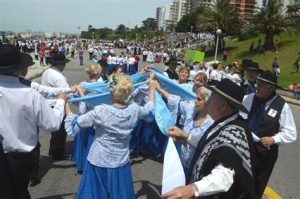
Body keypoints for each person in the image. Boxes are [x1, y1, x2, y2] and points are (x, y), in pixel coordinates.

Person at [64, 75, 156, 198]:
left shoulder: (101, 110)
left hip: (99, 159)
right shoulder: (135, 110)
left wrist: (65, 104)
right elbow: (149, 110)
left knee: (95, 193)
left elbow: (75, 124)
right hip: (120, 160)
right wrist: (151, 90)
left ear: (111, 93)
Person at [162, 79, 255, 199]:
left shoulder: (234, 132)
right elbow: (210, 146)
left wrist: (192, 189)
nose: (208, 102)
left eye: (212, 99)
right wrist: (186, 137)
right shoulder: (222, 122)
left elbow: (225, 175)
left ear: (223, 105)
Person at [0, 45, 66, 199]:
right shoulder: (29, 94)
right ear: (18, 68)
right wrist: (61, 103)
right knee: (18, 193)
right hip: (19, 157)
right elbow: (52, 124)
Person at [242, 71, 297, 199]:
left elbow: (291, 132)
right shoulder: (250, 98)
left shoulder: (282, 106)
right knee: (241, 181)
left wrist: (274, 139)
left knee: (257, 185)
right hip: (246, 147)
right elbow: (240, 114)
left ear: (271, 88)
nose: (257, 86)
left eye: (261, 84)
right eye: (257, 83)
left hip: (264, 154)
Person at [156, 85, 214, 174]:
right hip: (182, 160)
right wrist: (158, 88)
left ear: (207, 103)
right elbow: (175, 101)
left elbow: (203, 144)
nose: (195, 101)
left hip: (195, 168)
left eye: (199, 99)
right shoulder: (191, 110)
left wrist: (182, 135)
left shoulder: (211, 124)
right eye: (196, 98)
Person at [41, 53, 71, 161]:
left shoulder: (47, 72)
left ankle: (53, 151)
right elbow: (67, 92)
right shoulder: (59, 76)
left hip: (47, 104)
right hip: (56, 104)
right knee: (60, 131)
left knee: (54, 131)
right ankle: (57, 154)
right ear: (62, 64)